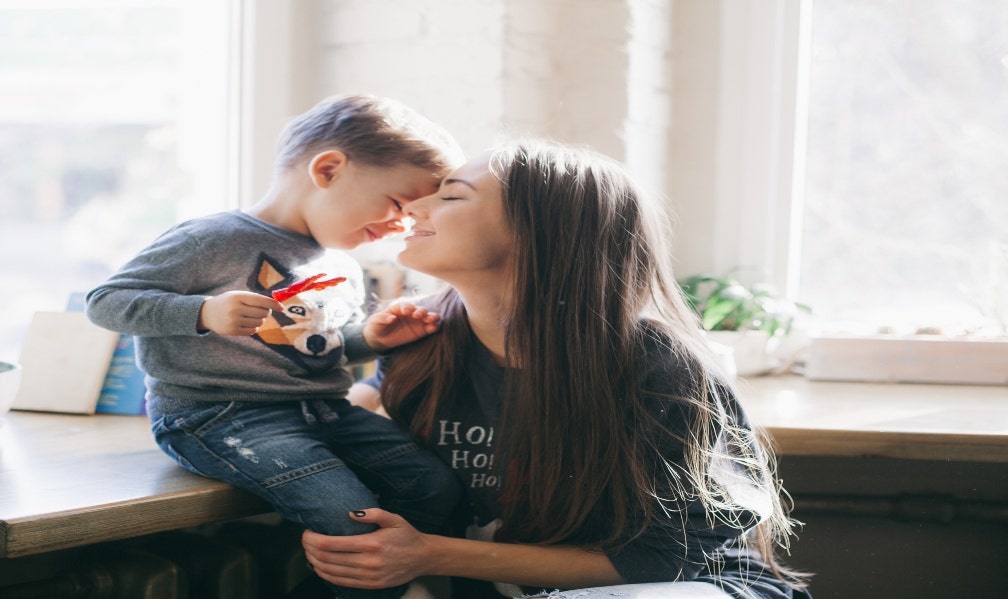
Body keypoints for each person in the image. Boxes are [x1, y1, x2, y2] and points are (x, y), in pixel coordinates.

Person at [301, 139, 812, 599]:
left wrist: (430, 555)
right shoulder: (419, 344)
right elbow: (368, 402)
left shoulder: (662, 370)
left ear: (540, 233)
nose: (412, 207)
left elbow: (666, 556)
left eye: (452, 196)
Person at [85, 94, 466, 599]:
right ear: (328, 169)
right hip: (218, 415)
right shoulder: (211, 239)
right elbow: (106, 301)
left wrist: (369, 339)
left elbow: (314, 351)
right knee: (349, 518)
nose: (403, 225)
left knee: (436, 489)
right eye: (398, 204)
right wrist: (202, 313)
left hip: (325, 411)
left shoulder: (342, 266)